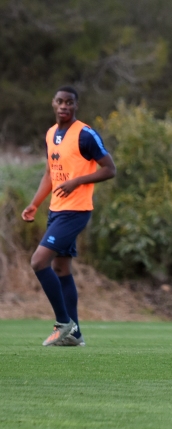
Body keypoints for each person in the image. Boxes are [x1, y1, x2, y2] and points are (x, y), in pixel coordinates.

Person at [22, 86, 116, 347]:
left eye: (69, 102)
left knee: (39, 261)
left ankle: (63, 323)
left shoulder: (85, 135)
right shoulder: (51, 134)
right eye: (60, 101)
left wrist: (77, 182)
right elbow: (50, 174)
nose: (64, 106)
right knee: (60, 267)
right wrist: (34, 204)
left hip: (76, 210)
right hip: (56, 209)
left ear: (76, 106)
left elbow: (110, 169)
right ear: (53, 103)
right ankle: (74, 334)